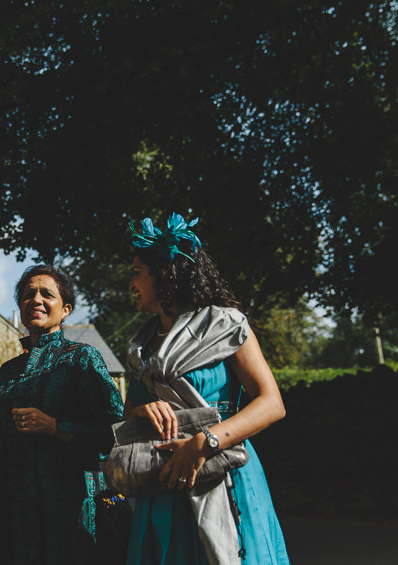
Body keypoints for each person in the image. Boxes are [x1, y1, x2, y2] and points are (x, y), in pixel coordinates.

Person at [124, 213, 289, 564]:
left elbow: (271, 402)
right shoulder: (139, 349)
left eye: (136, 272)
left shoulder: (225, 324)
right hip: (164, 484)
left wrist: (204, 443)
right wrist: (143, 410)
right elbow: (126, 420)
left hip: (224, 473)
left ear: (164, 273)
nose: (130, 284)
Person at [0, 265, 125, 565]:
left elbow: (118, 432)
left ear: (66, 309)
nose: (37, 300)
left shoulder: (81, 358)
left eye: (47, 294)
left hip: (71, 516)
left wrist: (58, 427)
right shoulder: (6, 374)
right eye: (28, 294)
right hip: (12, 523)